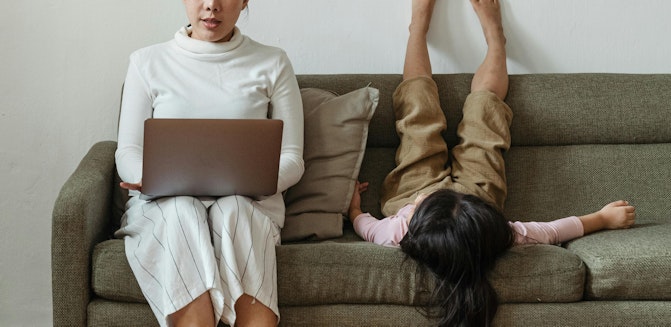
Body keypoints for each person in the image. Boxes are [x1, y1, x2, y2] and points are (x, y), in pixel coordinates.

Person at [348, 0, 636, 326]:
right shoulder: (492, 233)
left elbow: (368, 229)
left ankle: (417, 28)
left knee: (417, 115)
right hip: (477, 197)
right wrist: (601, 218)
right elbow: (552, 231)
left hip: (415, 191)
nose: (420, 200)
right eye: (421, 204)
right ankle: (496, 37)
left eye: (419, 206)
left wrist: (354, 209)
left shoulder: (400, 230)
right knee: (486, 112)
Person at [114, 0, 304, 326]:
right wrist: (148, 177)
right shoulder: (147, 62)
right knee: (182, 211)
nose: (211, 6)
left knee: (234, 212)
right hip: (165, 203)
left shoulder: (273, 62)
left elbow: (292, 158)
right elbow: (127, 151)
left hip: (248, 203)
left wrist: (256, 180)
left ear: (244, 2)